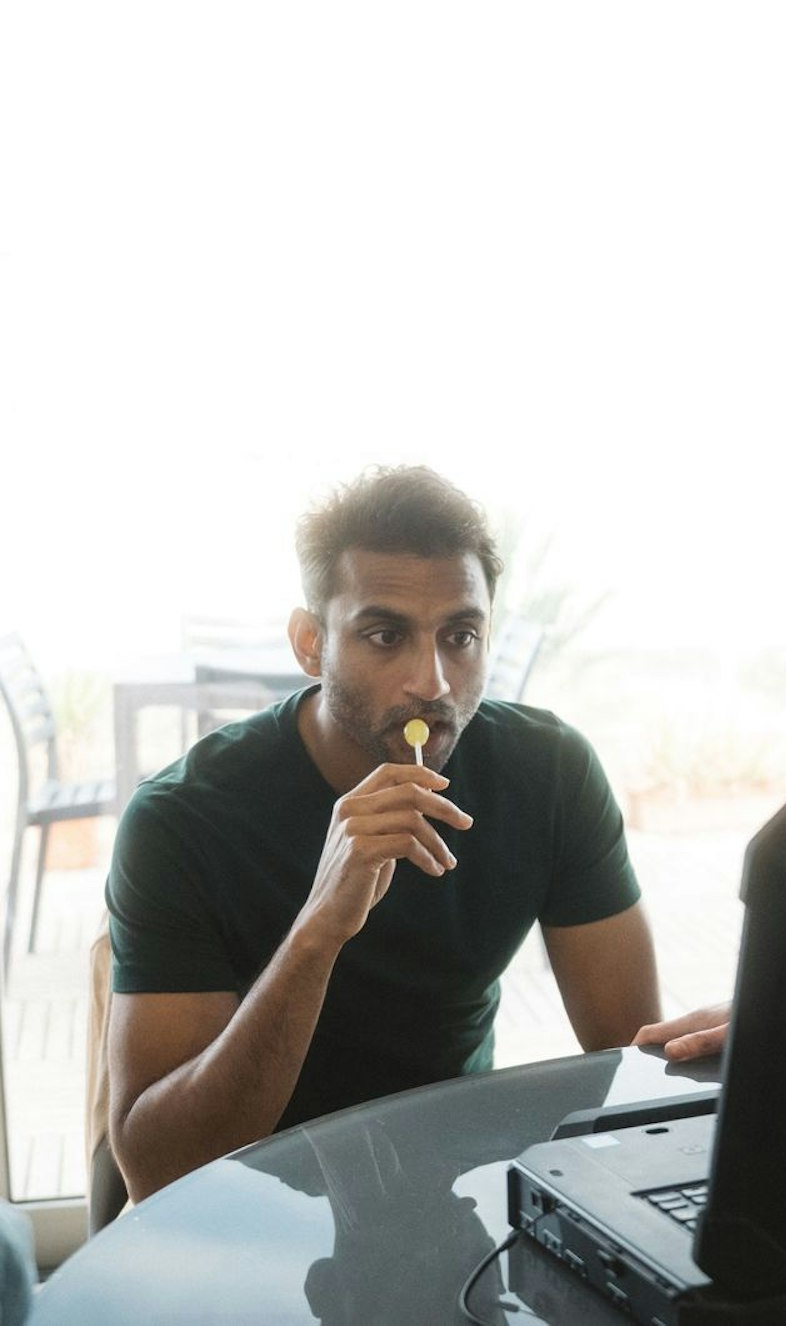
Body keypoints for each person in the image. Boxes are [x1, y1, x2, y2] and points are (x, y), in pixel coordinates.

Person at [106, 466, 727, 1203]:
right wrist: (318, 932)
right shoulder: (182, 819)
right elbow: (158, 1171)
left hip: (457, 1189)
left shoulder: (549, 772)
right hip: (251, 1203)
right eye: (385, 635)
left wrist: (732, 1046)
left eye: (460, 636)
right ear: (310, 643)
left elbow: (631, 1055)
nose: (431, 682)